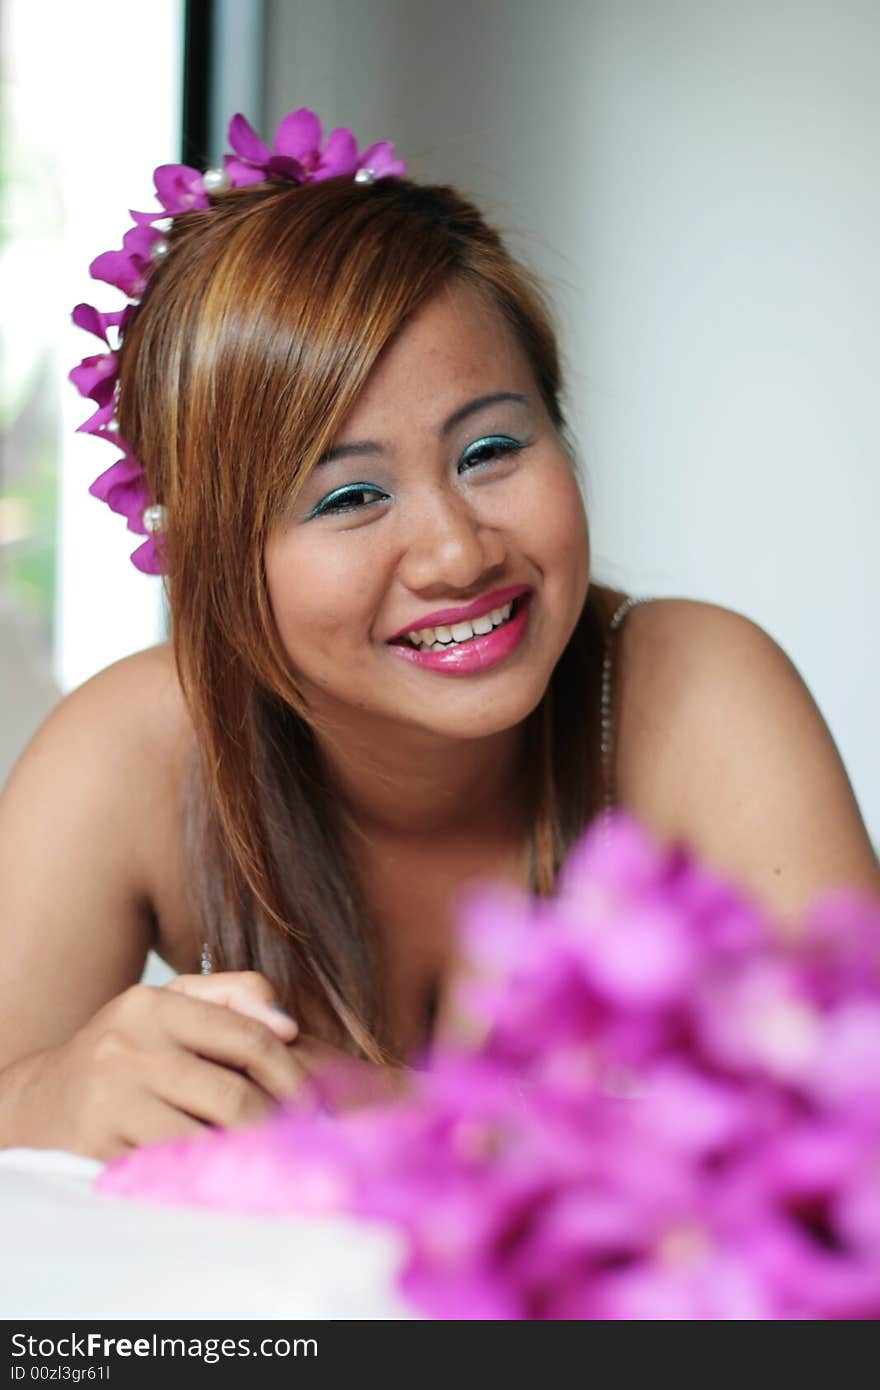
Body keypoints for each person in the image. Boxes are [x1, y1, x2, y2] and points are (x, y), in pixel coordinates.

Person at [0, 110, 877, 1163]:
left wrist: (362, 1105)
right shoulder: (136, 748)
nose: (457, 553)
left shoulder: (693, 686)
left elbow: (856, 1112)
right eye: (351, 496)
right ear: (210, 558)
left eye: (492, 448)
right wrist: (55, 1094)